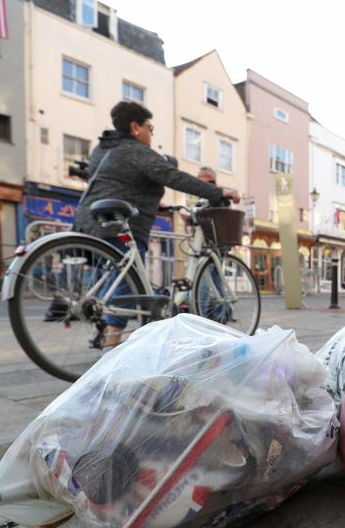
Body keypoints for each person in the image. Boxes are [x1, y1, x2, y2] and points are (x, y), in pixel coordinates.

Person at [71, 101, 241, 346]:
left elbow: (117, 180)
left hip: (90, 219)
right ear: (134, 127)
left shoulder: (104, 148)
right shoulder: (135, 150)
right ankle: (112, 342)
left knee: (113, 276)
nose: (151, 134)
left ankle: (104, 324)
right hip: (119, 222)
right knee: (128, 277)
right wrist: (218, 192)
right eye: (149, 128)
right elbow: (173, 177)